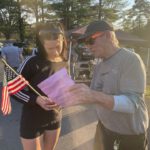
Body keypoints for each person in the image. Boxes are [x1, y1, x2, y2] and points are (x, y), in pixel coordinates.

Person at [57, 20, 149, 150]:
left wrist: (92, 95)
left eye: (90, 41)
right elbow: (95, 94)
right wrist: (70, 96)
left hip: (128, 136)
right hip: (104, 129)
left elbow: (132, 104)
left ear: (107, 36)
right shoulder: (99, 65)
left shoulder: (130, 60)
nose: (87, 46)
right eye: (84, 43)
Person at [12, 22, 68, 150]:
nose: (55, 51)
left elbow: (64, 88)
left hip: (55, 117)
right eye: (50, 48)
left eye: (58, 45)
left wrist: (63, 98)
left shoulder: (63, 61)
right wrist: (36, 99)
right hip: (32, 120)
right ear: (42, 43)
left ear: (62, 40)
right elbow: (12, 89)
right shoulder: (32, 62)